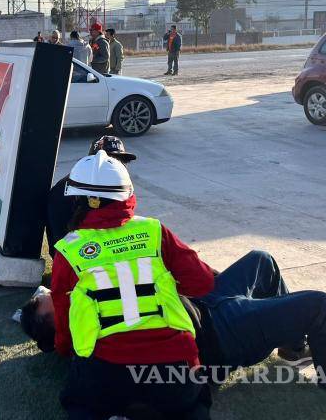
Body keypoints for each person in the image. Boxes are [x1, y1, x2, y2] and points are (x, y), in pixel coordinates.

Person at [22, 249, 326, 420]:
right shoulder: (84, 350)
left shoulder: (82, 310)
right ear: (52, 331)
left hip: (205, 302)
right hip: (220, 335)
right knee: (322, 307)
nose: (57, 295)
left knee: (262, 260)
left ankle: (292, 345)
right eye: (50, 302)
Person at [47, 152, 216, 419]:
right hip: (174, 367)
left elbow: (64, 315)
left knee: (79, 404)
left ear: (81, 200)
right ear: (127, 195)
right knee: (195, 404)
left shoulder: (69, 251)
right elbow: (203, 282)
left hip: (107, 370)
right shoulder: (156, 231)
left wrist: (64, 350)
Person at [45, 136, 136, 255]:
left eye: (122, 160)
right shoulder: (67, 193)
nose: (119, 165)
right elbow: (60, 240)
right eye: (112, 160)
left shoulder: (117, 186)